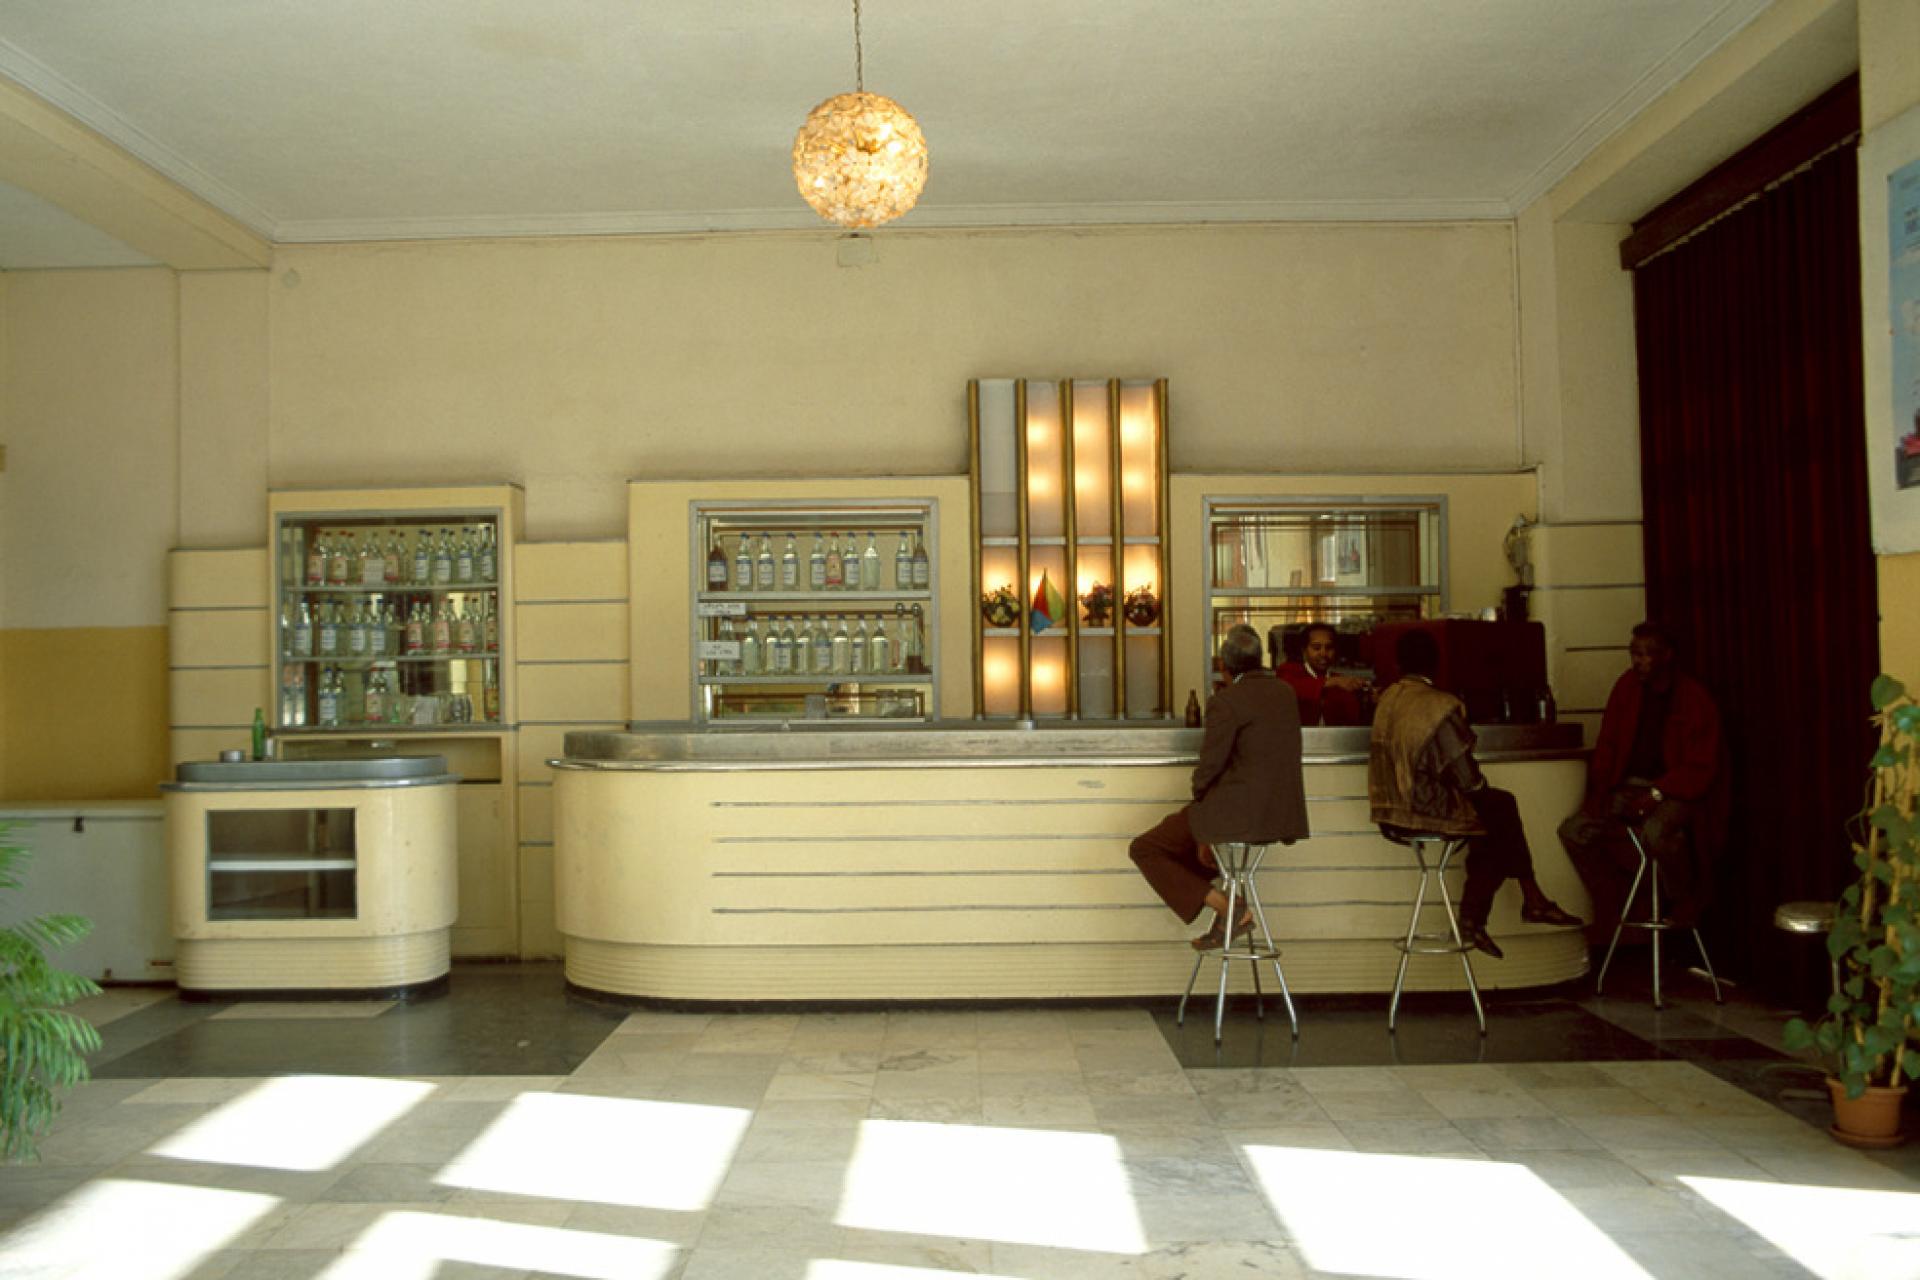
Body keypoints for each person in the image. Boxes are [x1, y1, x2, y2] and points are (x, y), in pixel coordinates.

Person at [1369, 629, 1581, 957]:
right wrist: (1478, 790)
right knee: (1499, 811)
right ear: (1437, 663)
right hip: (1424, 808)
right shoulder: (1439, 704)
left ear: (1398, 663)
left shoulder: (1386, 698)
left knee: (1494, 820)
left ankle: (1528, 899)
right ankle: (1493, 911)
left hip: (1388, 809)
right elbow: (1466, 777)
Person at [1130, 624, 1310, 948]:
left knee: (1146, 848)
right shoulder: (1285, 693)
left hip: (1238, 815)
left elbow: (1210, 766)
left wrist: (1201, 809)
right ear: (1260, 659)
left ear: (1224, 667)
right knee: (1192, 853)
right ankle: (1225, 912)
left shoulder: (1226, 701)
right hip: (1282, 816)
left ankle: (1229, 907)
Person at [1558, 622, 1723, 932]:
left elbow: (1700, 766)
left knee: (1658, 830)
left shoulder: (1693, 698)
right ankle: (1625, 900)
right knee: (1574, 831)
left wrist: (1658, 793)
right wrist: (1600, 791)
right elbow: (1608, 743)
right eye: (1634, 653)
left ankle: (1684, 900)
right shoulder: (1626, 688)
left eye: (1648, 654)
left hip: (1676, 790)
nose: (1639, 661)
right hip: (1628, 785)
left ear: (1668, 656)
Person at [1275, 622, 1369, 726]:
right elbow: (1291, 687)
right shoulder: (1288, 670)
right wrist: (1333, 682)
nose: (1323, 653)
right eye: (1316, 648)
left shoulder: (1342, 682)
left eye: (1329, 648)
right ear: (1304, 651)